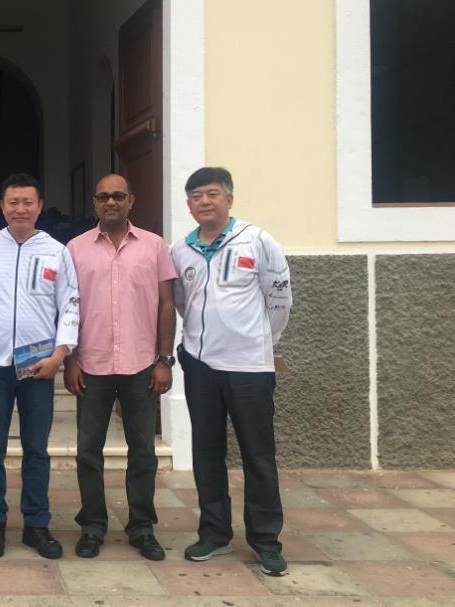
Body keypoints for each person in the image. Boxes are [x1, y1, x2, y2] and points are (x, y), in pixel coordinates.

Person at [170, 167, 292, 577]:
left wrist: (257, 342)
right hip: (200, 365)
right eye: (196, 196)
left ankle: (266, 540)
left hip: (249, 369)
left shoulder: (257, 241)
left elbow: (280, 302)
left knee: (258, 455)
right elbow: (184, 303)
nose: (204, 202)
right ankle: (214, 531)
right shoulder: (181, 250)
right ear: (189, 205)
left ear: (229, 199)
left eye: (212, 194)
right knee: (206, 453)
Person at [64, 173, 176, 560]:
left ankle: (142, 527)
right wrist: (71, 359)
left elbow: (166, 305)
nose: (110, 202)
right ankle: (92, 526)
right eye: (102, 197)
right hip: (91, 365)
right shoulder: (75, 249)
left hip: (141, 364)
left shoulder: (154, 247)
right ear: (94, 203)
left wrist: (164, 360)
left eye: (117, 195)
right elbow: (67, 307)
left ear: (132, 199)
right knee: (88, 451)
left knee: (143, 451)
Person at [0, 173, 79, 559]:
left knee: (36, 448)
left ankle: (36, 523)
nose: (20, 209)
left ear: (39, 206)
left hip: (39, 365)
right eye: (13, 202)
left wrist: (59, 355)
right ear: (2, 206)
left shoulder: (56, 251)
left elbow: (70, 305)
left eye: (27, 202)